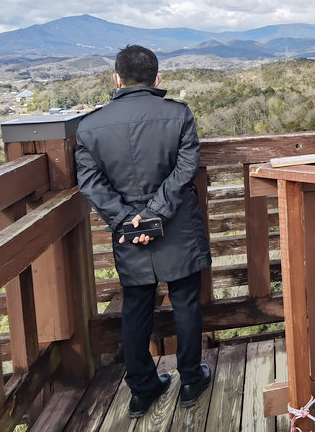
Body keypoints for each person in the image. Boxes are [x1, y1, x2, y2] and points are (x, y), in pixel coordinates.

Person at [75, 45, 212, 418]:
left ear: (116, 79)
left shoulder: (89, 126)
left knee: (136, 307)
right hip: (176, 224)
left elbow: (90, 182)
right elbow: (186, 169)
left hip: (128, 232)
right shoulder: (178, 115)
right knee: (185, 301)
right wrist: (155, 212)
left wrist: (126, 219)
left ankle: (142, 389)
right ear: (158, 79)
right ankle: (190, 380)